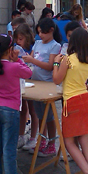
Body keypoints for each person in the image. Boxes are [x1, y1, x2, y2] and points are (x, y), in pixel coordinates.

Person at [52, 28, 88, 174]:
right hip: (86, 100)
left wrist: (56, 63)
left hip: (72, 102)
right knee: (85, 139)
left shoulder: (68, 60)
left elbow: (56, 80)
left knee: (69, 142)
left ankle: (87, 173)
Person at [0, 34, 34, 174]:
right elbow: (28, 72)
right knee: (9, 148)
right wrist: (18, 60)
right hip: (10, 109)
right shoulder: (14, 67)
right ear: (9, 50)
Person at [22, 18, 61, 158]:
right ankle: (42, 140)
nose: (40, 35)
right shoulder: (38, 43)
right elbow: (30, 58)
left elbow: (50, 66)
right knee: (39, 115)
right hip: (35, 82)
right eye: (39, 32)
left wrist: (32, 60)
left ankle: (51, 143)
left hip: (47, 84)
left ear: (51, 31)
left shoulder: (55, 46)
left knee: (49, 116)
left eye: (43, 32)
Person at [13, 24, 38, 151]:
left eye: (21, 39)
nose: (18, 42)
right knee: (22, 109)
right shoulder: (16, 48)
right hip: (21, 82)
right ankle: (21, 135)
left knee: (33, 110)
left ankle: (33, 137)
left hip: (33, 81)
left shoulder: (33, 47)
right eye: (17, 39)